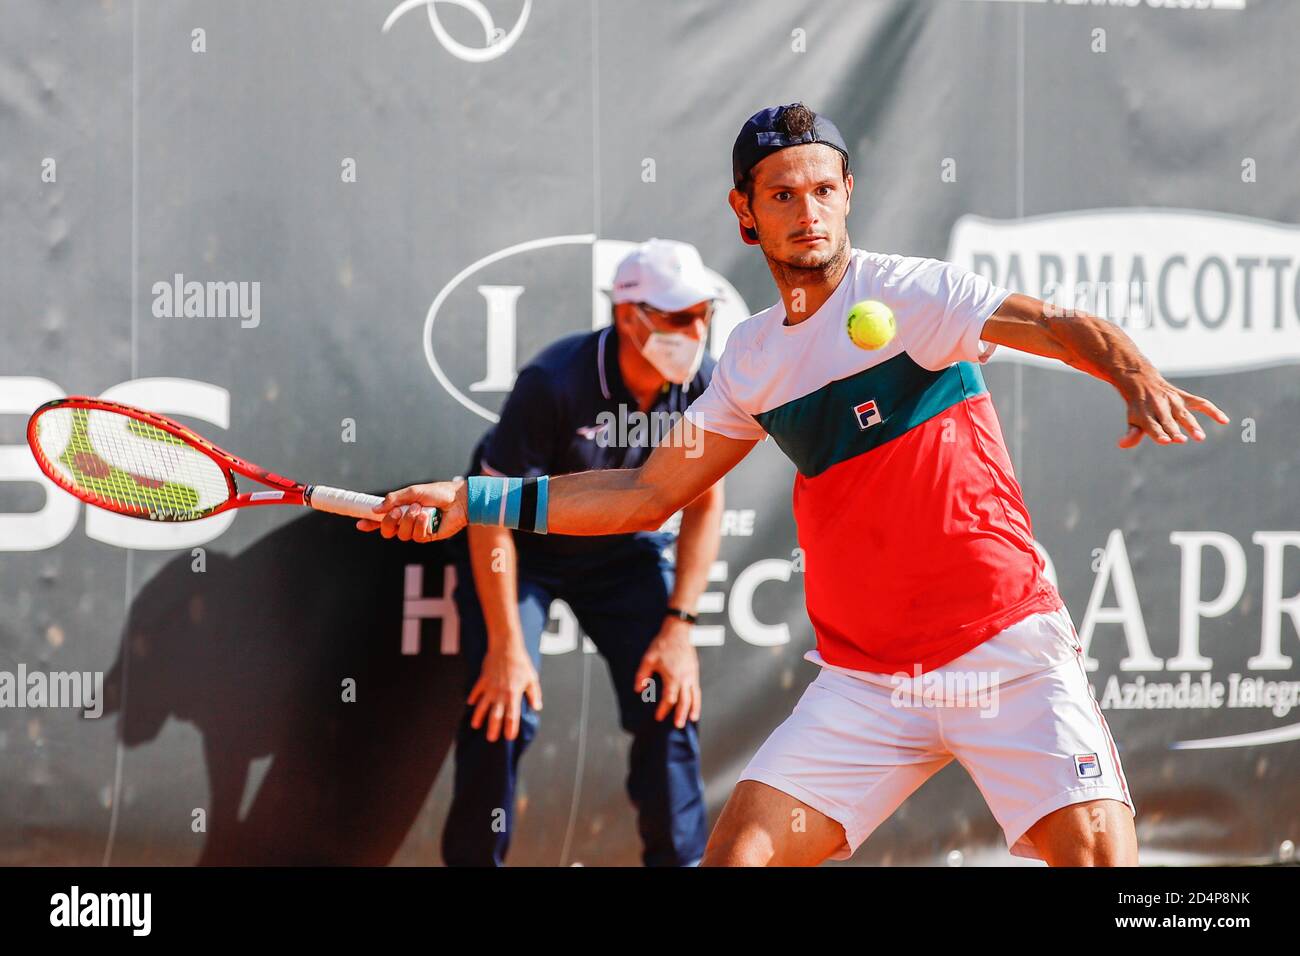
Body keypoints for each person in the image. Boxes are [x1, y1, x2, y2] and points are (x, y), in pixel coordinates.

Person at [361, 104, 1229, 867]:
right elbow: (644, 495)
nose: (807, 211)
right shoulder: (749, 362)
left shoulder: (914, 295)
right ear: (745, 214)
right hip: (869, 682)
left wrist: (1133, 374)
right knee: (738, 857)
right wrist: (473, 499)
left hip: (1004, 650)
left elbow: (1054, 325)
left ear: (847, 190)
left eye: (822, 189)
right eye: (781, 194)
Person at [438, 238, 725, 866]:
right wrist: (508, 649)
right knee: (503, 707)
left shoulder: (702, 382)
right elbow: (488, 511)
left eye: (703, 313)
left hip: (625, 556)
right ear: (629, 317)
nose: (696, 330)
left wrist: (679, 626)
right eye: (680, 317)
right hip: (523, 553)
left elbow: (705, 503)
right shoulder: (553, 381)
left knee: (667, 699)